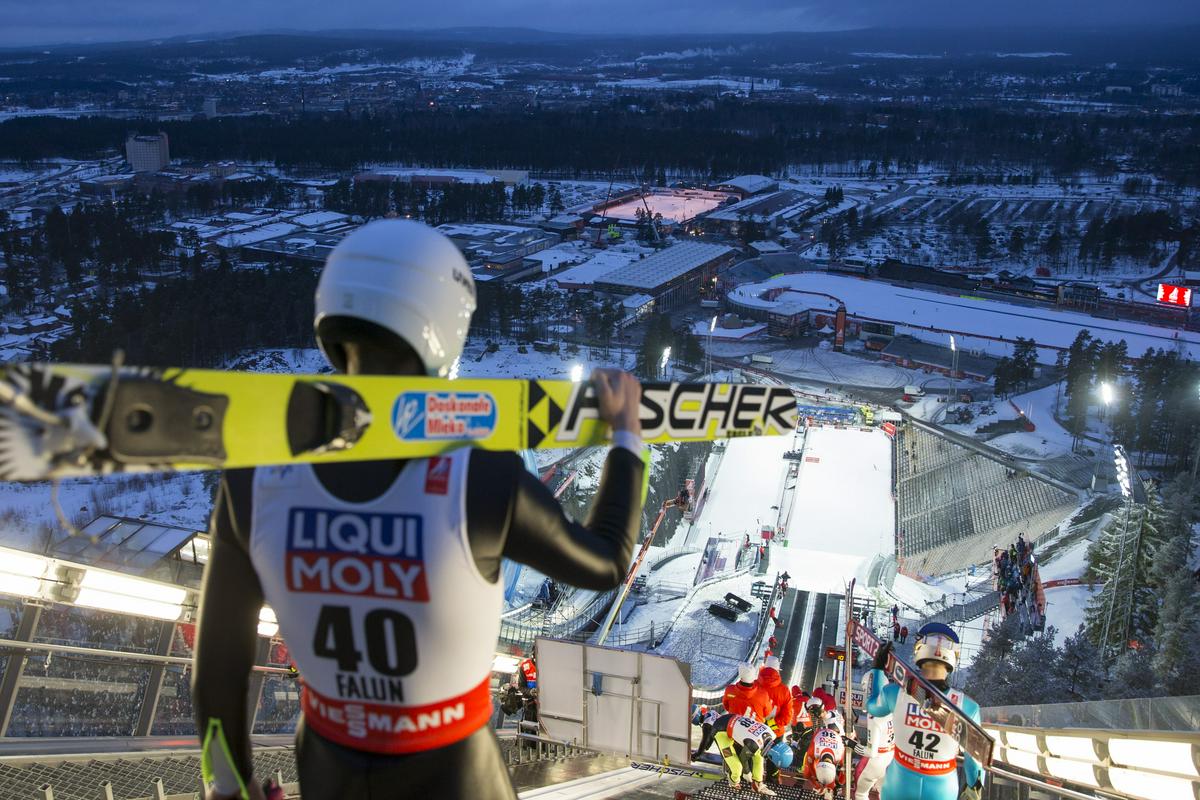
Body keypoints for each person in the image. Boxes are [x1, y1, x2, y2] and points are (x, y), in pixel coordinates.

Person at [191, 220, 648, 800]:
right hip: (455, 770)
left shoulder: (254, 480)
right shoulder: (481, 477)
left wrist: (226, 788)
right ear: (445, 325)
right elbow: (606, 562)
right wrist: (628, 439)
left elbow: (217, 670)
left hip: (330, 762)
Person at [865, 623, 985, 800]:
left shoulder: (894, 693)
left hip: (899, 784)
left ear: (919, 650)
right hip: (942, 789)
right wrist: (974, 787)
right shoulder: (968, 708)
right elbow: (974, 762)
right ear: (953, 656)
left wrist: (877, 668)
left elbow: (872, 706)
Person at [712, 712, 786, 795]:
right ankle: (733, 782)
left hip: (733, 718)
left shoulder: (772, 734)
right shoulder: (754, 745)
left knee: (759, 755)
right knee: (737, 768)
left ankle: (757, 783)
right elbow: (743, 758)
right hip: (720, 731)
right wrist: (747, 772)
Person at [851, 673, 895, 800]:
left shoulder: (874, 714)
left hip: (876, 760)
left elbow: (871, 752)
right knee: (884, 793)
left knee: (860, 794)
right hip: (890, 757)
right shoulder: (895, 707)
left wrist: (851, 744)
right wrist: (860, 719)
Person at [802, 720, 846, 800]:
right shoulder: (813, 750)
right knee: (806, 773)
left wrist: (838, 785)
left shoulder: (840, 755)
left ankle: (828, 789)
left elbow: (844, 773)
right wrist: (817, 784)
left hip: (833, 737)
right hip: (820, 737)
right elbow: (810, 767)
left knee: (831, 782)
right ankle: (819, 788)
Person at [755, 656, 794, 738]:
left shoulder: (753, 685)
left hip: (753, 733)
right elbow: (786, 717)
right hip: (775, 734)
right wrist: (769, 725)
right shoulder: (785, 691)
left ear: (764, 668)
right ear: (777, 671)